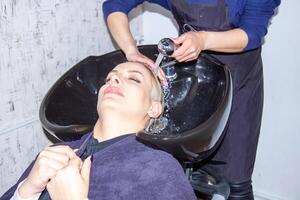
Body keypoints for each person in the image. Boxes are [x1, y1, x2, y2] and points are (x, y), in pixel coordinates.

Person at [102, 0, 281, 199]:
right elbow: (114, 5)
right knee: (188, 171)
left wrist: (203, 40)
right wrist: (131, 51)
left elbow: (252, 34)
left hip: (238, 83)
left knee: (237, 179)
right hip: (193, 81)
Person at [1, 62, 197, 200]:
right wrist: (27, 191)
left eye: (134, 79)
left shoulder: (159, 169)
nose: (114, 80)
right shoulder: (54, 153)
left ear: (154, 108)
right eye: (110, 78)